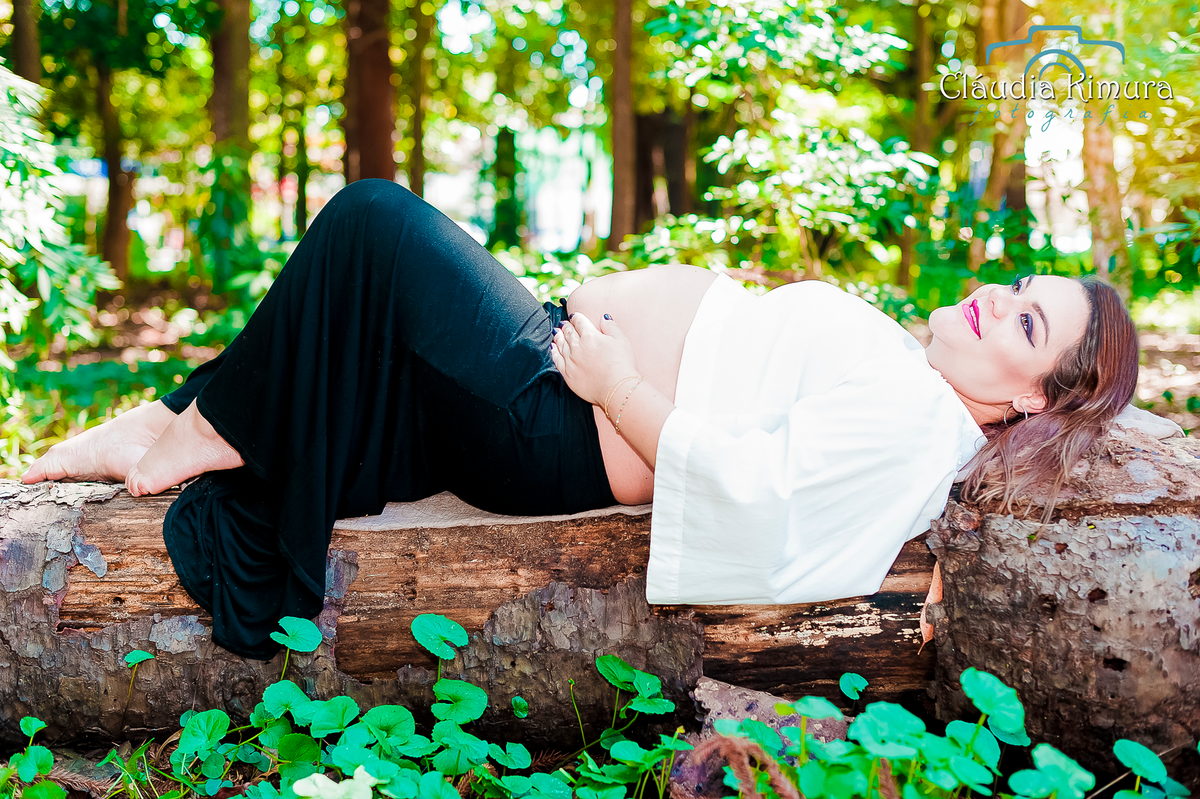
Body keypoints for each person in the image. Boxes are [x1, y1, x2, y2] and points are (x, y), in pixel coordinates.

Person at [20, 179, 1140, 658]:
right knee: (360, 330)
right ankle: (165, 421)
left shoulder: (915, 422)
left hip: (559, 420)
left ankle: (198, 431)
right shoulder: (916, 387)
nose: (998, 298)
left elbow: (757, 499)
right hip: (560, 384)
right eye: (1020, 285)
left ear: (1032, 397)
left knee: (372, 223)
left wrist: (617, 387)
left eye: (1027, 322)